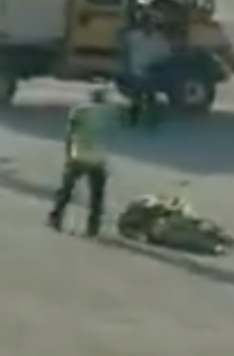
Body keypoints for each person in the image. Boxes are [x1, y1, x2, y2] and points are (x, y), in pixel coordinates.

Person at [47, 88, 114, 237]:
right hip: (98, 158)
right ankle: (93, 227)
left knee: (66, 189)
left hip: (79, 155)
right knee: (97, 195)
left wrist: (68, 153)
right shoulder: (108, 113)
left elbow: (69, 133)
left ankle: (56, 218)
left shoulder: (80, 111)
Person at [120, 16, 172, 127]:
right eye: (147, 24)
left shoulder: (159, 39)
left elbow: (166, 56)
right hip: (136, 72)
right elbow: (124, 48)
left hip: (151, 72)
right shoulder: (133, 37)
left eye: (152, 25)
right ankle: (135, 118)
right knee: (137, 95)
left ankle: (151, 119)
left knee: (150, 95)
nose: (149, 27)